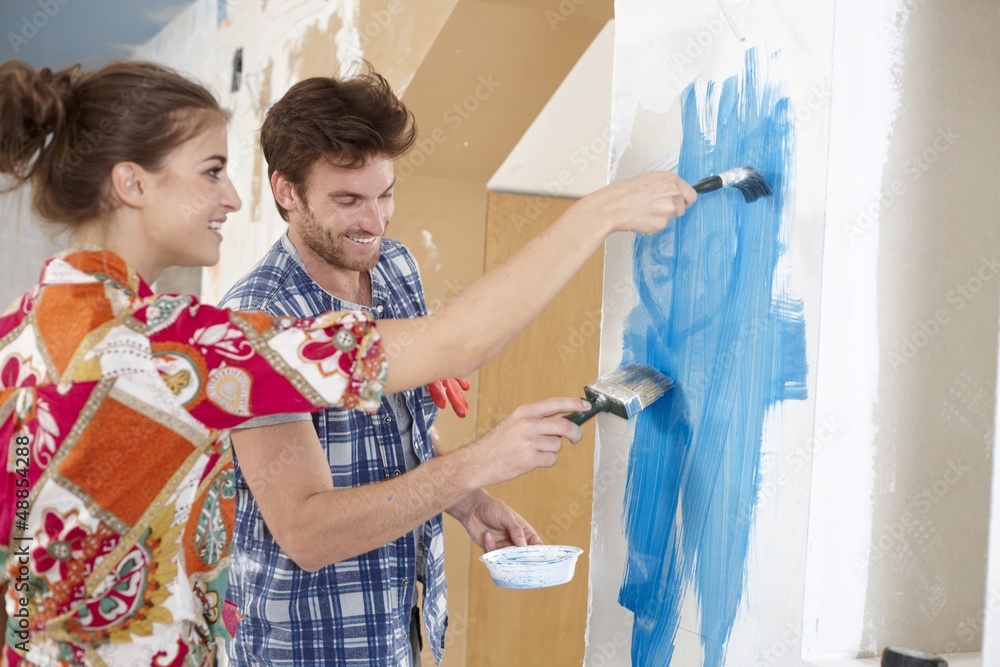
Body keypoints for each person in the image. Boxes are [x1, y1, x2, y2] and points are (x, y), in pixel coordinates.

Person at [0, 59, 694, 666]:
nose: (232, 197)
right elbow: (458, 340)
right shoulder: (179, 348)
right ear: (132, 183)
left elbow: (22, 569)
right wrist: (598, 213)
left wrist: (467, 495)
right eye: (211, 171)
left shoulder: (17, 338)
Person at [218, 69, 544, 666]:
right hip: (304, 646)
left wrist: (471, 501)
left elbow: (402, 438)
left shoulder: (395, 267)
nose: (375, 220)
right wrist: (481, 460)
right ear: (287, 191)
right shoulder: (254, 320)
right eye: (347, 201)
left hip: (397, 628)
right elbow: (308, 534)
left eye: (385, 193)